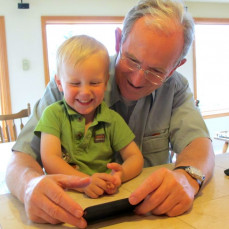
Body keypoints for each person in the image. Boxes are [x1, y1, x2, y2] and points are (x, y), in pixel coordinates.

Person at [6, 0, 215, 228]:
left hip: (152, 218)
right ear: (118, 41)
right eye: (132, 60)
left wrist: (188, 178)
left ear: (175, 67)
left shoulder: (176, 87)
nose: (137, 80)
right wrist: (29, 187)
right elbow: (20, 160)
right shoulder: (72, 83)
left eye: (156, 71)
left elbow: (199, 144)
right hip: (76, 215)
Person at [34, 35, 143, 198]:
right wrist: (85, 183)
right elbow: (50, 159)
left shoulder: (111, 119)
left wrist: (121, 174)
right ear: (59, 83)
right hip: (65, 196)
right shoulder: (53, 115)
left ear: (106, 82)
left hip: (104, 196)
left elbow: (135, 157)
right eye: (75, 83)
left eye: (94, 83)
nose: (85, 92)